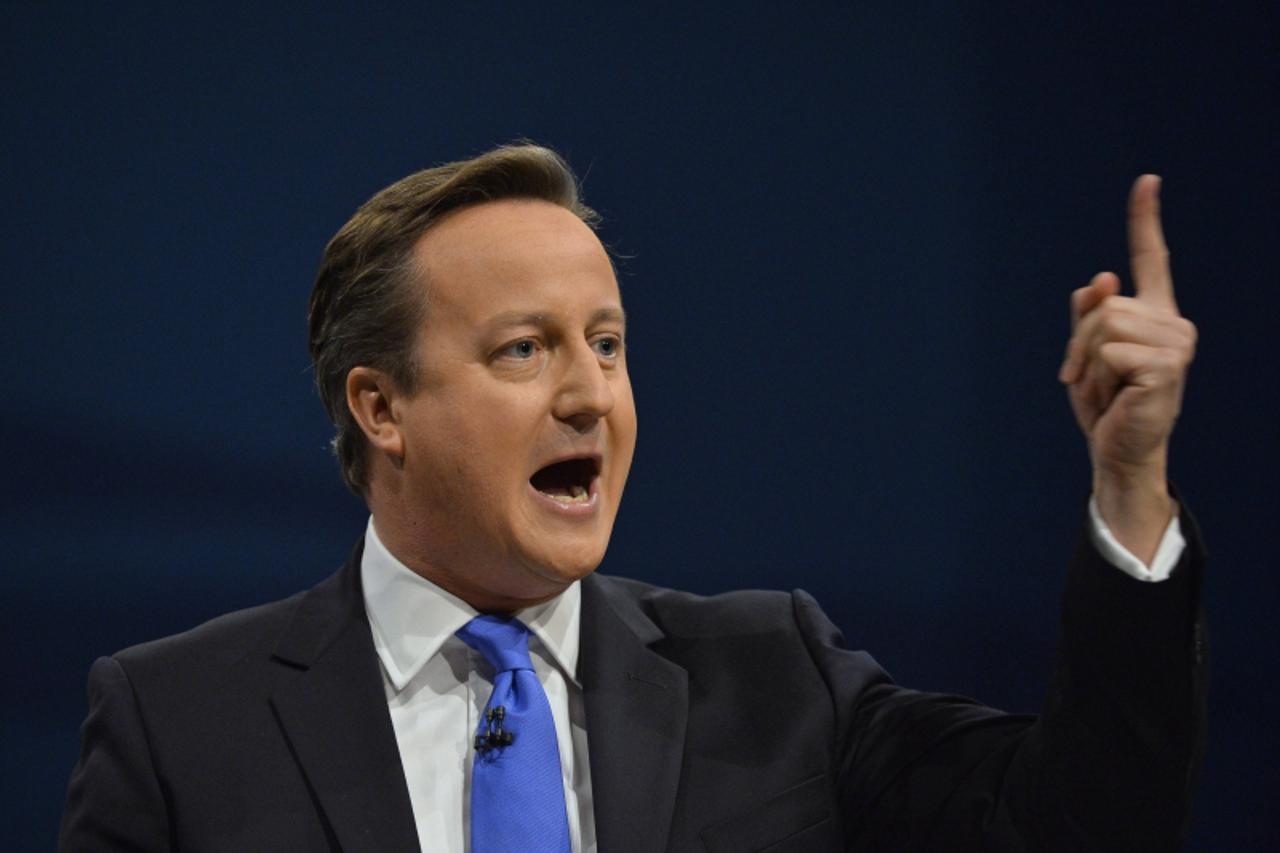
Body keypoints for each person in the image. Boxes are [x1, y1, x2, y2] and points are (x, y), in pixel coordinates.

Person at [58, 144, 1205, 852]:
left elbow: (1081, 822)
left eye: (606, 345)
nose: (588, 394)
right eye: (523, 349)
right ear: (380, 407)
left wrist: (1128, 484)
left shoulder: (772, 676)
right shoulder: (178, 721)